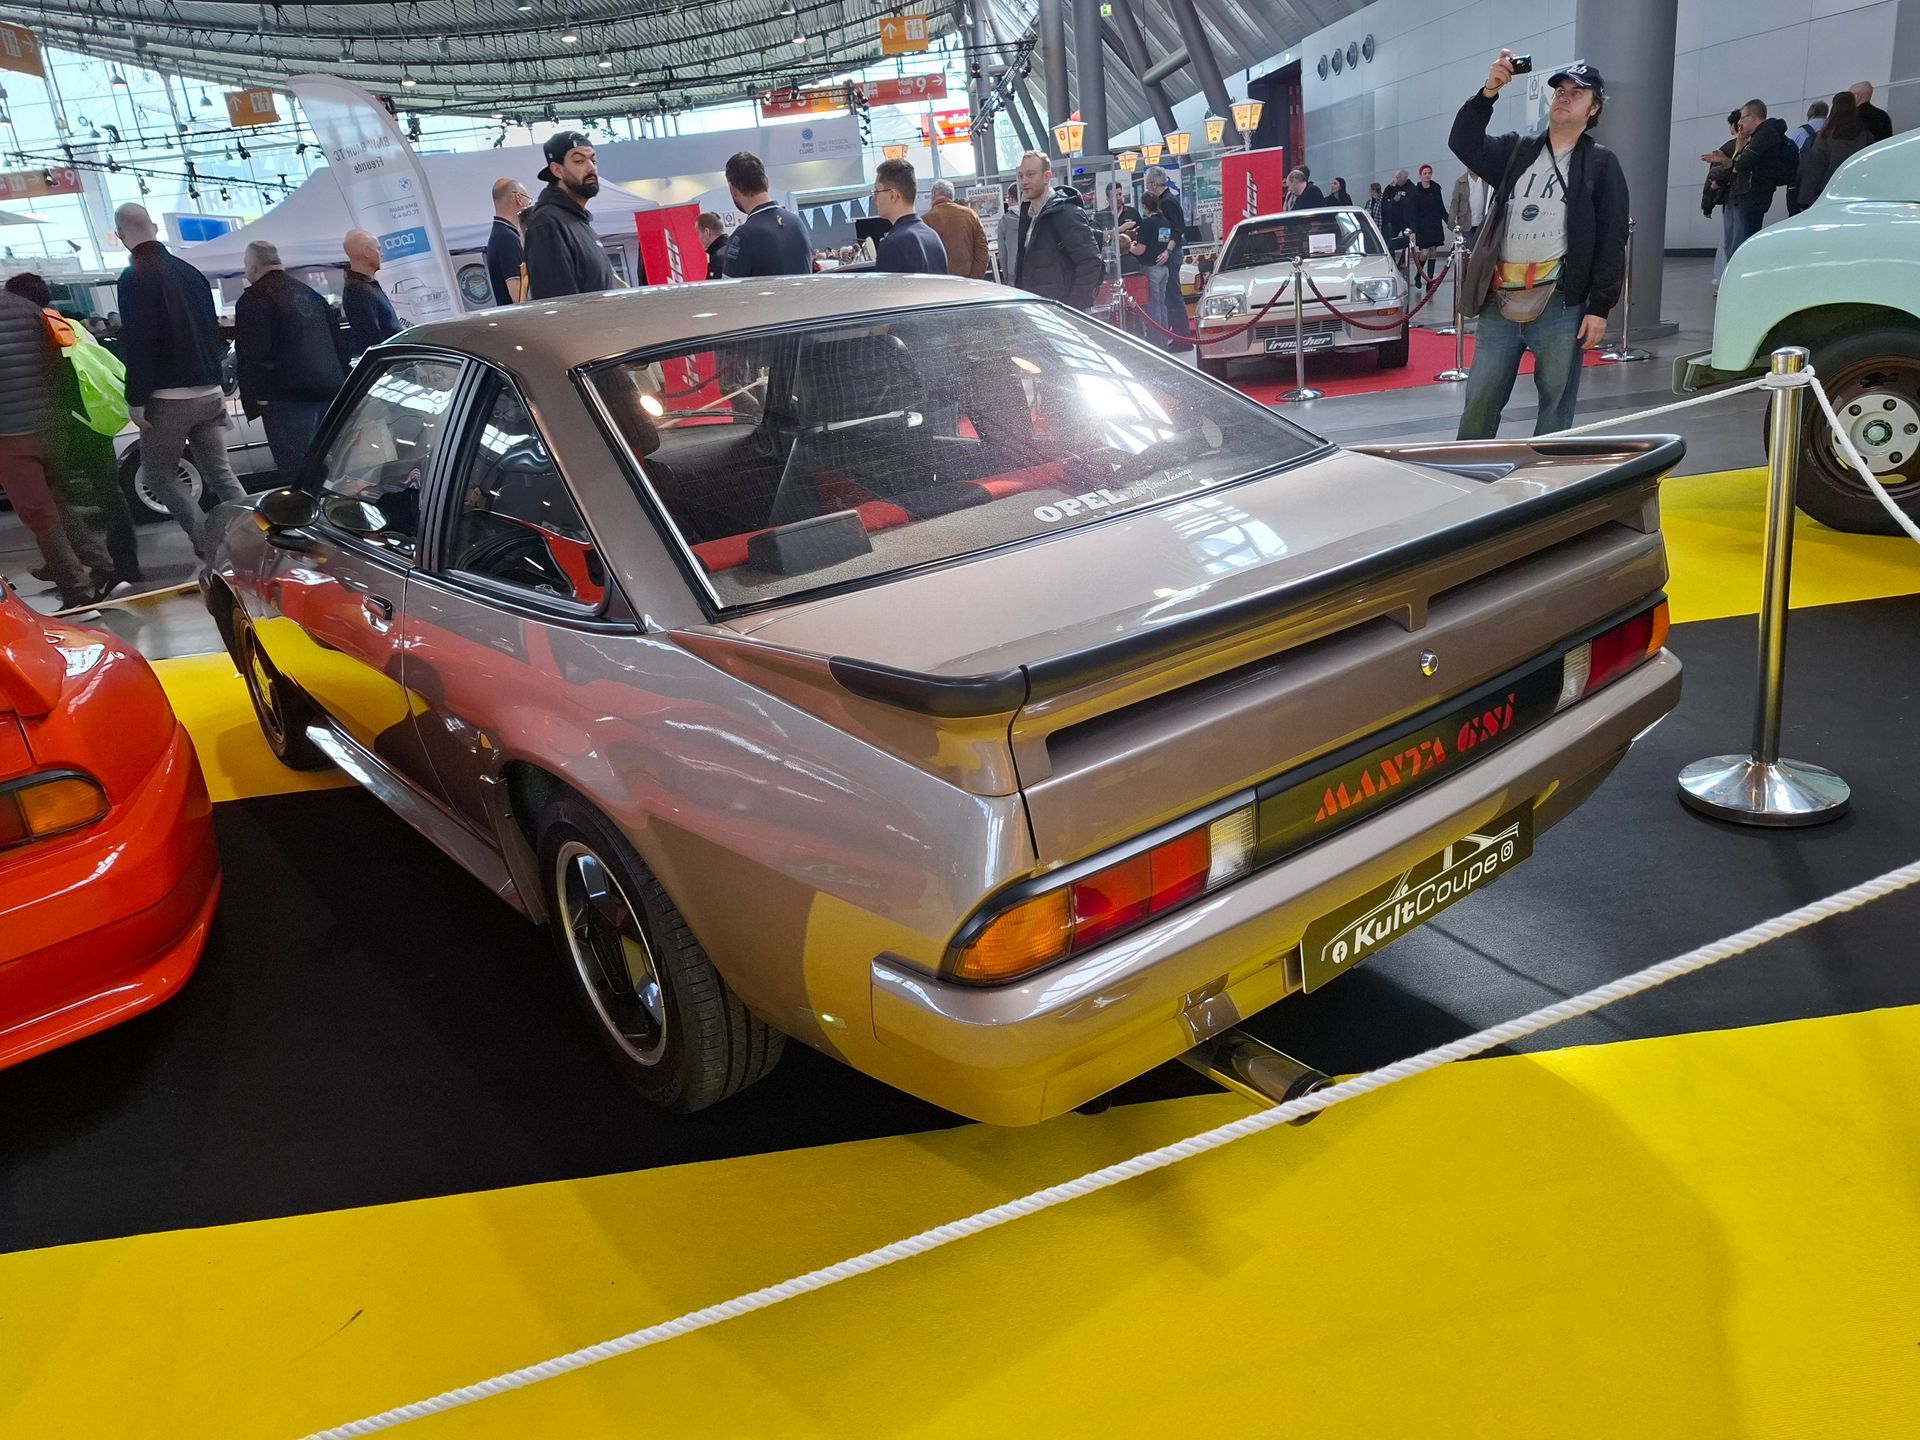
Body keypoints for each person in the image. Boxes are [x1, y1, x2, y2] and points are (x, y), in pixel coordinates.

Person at [1449, 55, 1627, 439]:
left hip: (1560, 304)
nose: (1564, 97)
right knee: (1480, 399)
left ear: (1593, 109)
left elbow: (1612, 239)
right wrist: (1489, 92)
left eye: (1576, 93)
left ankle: (1546, 470)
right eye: (1560, 91)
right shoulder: (1517, 151)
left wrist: (1599, 308)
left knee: (1555, 404)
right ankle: (1468, 467)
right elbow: (1463, 142)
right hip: (1501, 298)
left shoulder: (1600, 164)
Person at [113, 202, 247, 560]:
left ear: (121, 235)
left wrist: (136, 397)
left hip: (168, 397)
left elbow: (140, 340)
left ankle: (207, 544)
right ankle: (254, 537)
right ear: (155, 227)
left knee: (158, 475)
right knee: (220, 472)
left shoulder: (133, 278)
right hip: (210, 389)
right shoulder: (190, 272)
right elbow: (212, 331)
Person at [0, 281, 123, 611]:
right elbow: (58, 363)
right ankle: (104, 567)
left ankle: (78, 595)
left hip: (10, 436)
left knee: (41, 518)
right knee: (57, 504)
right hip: (52, 428)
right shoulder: (29, 310)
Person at [233, 240, 345, 481]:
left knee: (297, 471)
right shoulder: (312, 295)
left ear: (253, 266)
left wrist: (255, 397)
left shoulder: (255, 299)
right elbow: (338, 344)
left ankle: (308, 505)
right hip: (330, 390)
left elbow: (253, 352)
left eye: (245, 266)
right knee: (331, 466)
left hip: (285, 397)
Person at [522, 131, 621, 299]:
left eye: (593, 160)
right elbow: (558, 302)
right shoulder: (547, 224)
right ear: (557, 170)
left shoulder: (578, 221)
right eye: (579, 161)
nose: (591, 168)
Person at [1008, 149, 1101, 310]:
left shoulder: (1067, 213)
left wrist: (1072, 309)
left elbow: (1090, 262)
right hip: (1037, 310)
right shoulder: (1029, 216)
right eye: (1021, 176)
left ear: (1047, 176)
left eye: (1030, 175)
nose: (1024, 181)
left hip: (1059, 312)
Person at [1708, 100, 1791, 261]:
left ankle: (1739, 276)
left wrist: (1729, 163)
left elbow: (1742, 164)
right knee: (1735, 245)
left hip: (1750, 196)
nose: (1740, 123)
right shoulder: (1762, 135)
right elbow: (1738, 166)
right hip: (1745, 195)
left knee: (1739, 247)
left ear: (1752, 116)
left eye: (1742, 117)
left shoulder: (1765, 135)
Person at [721, 152, 811, 277]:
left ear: (733, 189)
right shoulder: (797, 223)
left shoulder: (742, 236)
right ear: (766, 180)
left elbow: (730, 287)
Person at [1799, 91, 1878, 210]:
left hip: (1827, 190)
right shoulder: (1864, 134)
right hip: (1855, 190)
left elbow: (1816, 165)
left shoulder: (1826, 134)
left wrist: (1806, 198)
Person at [1142, 165, 1192, 343]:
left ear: (1154, 184)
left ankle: (1182, 337)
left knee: (1173, 294)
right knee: (1169, 296)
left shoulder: (1167, 202)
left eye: (1148, 185)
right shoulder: (1167, 200)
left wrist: (1167, 250)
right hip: (1170, 251)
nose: (1148, 188)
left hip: (1172, 253)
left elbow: (1177, 230)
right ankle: (1177, 335)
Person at [870, 159, 947, 275]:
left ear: (893, 195)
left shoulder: (892, 244)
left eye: (876, 191)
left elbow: (888, 287)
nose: (874, 197)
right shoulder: (932, 235)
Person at [342, 228, 403, 359]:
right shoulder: (358, 290)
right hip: (390, 362)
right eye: (378, 249)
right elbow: (371, 338)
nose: (382, 254)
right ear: (367, 252)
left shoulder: (364, 287)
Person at [1703, 110, 1741, 287]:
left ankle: (1723, 279)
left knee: (1728, 241)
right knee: (1732, 240)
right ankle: (1727, 279)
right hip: (1740, 198)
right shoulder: (1746, 146)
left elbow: (1713, 178)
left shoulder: (1728, 148)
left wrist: (1707, 204)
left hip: (1731, 199)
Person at [921, 178, 989, 280]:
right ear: (951, 196)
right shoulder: (970, 215)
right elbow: (982, 248)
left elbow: (923, 257)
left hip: (939, 282)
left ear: (934, 194)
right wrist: (974, 277)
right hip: (967, 280)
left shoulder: (925, 220)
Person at [486, 176, 529, 305]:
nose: (528, 205)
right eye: (528, 200)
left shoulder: (499, 233)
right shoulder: (507, 238)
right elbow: (519, 296)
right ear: (518, 198)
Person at [1785, 100, 1829, 216]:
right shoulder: (1833, 130)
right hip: (1825, 182)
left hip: (1800, 183)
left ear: (1810, 114)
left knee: (1795, 217)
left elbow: (1789, 157)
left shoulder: (1801, 131)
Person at [1410, 163, 1450, 285]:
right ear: (1420, 176)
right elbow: (1413, 211)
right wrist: (1413, 230)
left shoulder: (1436, 188)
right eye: (1425, 173)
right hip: (1422, 225)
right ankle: (1419, 275)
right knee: (1425, 252)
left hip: (1434, 223)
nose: (1427, 175)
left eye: (1429, 173)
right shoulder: (1416, 191)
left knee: (1433, 252)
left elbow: (1440, 207)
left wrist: (1449, 221)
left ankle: (1430, 281)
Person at [1382, 168, 1414, 257]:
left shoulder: (1411, 187)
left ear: (1404, 178)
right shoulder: (1393, 187)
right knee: (1390, 241)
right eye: (1396, 177)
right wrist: (1389, 187)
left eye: (1399, 177)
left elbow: (1412, 203)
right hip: (1394, 220)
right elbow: (1385, 199)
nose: (1397, 179)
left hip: (1406, 220)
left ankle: (1405, 260)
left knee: (1406, 242)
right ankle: (1392, 259)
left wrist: (1401, 199)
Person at [1450, 169, 1488, 245]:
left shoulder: (1486, 181)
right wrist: (1451, 220)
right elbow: (1455, 202)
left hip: (1483, 222)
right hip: (1466, 222)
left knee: (1481, 246)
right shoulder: (1460, 182)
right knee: (1470, 247)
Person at [695, 212, 728, 280]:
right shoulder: (734, 248)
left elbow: (714, 286)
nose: (699, 238)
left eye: (698, 233)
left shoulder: (718, 258)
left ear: (706, 232)